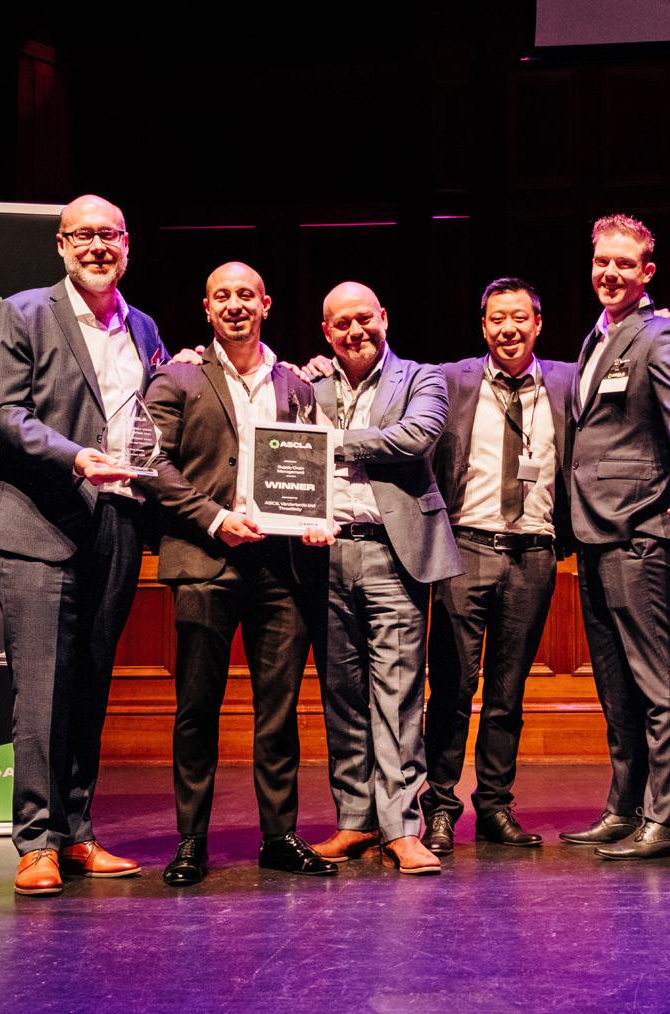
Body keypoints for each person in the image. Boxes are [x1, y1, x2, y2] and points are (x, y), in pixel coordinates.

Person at [0, 194, 167, 895]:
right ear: (61, 245)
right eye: (83, 235)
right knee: (41, 691)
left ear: (128, 244)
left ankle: (78, 832)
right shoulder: (24, 311)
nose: (97, 246)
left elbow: (155, 414)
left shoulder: (143, 326)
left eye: (109, 235)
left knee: (90, 685)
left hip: (116, 524)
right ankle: (36, 842)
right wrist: (76, 457)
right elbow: (4, 412)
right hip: (41, 522)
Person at [138, 262, 335, 885]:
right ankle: (191, 841)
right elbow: (151, 462)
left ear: (265, 304)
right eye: (221, 295)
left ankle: (279, 836)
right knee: (197, 708)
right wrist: (214, 518)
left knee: (279, 710)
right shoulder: (177, 376)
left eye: (245, 295)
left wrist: (315, 517)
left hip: (282, 568)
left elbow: (311, 466)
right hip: (206, 562)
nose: (234, 304)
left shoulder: (296, 385)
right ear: (207, 308)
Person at [559, 214, 670, 860]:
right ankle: (624, 807)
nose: (611, 272)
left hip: (639, 530)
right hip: (593, 532)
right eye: (603, 261)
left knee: (657, 683)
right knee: (615, 684)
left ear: (647, 271)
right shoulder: (597, 336)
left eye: (625, 263)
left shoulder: (662, 336)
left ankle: (666, 818)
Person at [306, 282, 462, 876]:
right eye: (342, 323)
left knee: (397, 694)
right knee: (342, 694)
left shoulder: (421, 378)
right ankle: (355, 819)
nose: (356, 331)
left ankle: (401, 827)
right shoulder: (309, 385)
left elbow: (415, 438)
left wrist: (331, 442)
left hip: (393, 554)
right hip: (324, 555)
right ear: (327, 332)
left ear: (384, 317)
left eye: (364, 319)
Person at [420, 277, 575, 855]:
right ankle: (440, 807)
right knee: (452, 687)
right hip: (466, 547)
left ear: (538, 323)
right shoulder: (448, 379)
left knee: (508, 692)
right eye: (496, 319)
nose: (508, 329)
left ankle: (494, 807)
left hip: (534, 551)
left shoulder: (568, 381)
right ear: (483, 326)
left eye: (519, 318)